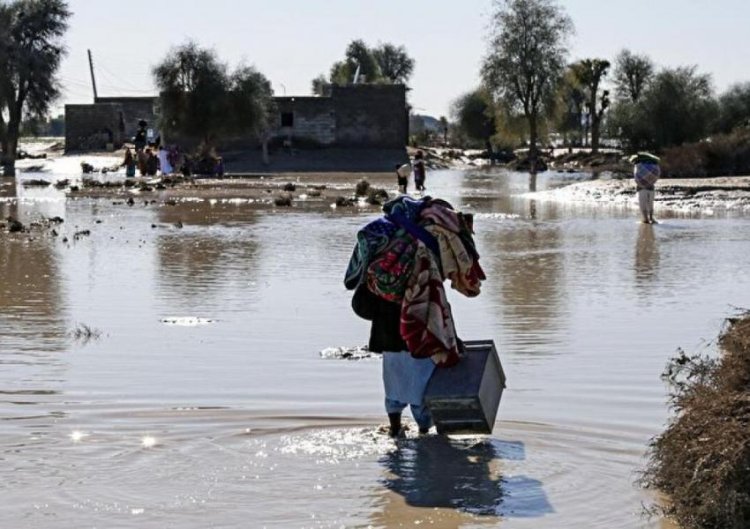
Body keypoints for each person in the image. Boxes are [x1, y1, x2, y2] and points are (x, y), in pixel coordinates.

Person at [345, 196, 485, 438]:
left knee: (394, 386)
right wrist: (452, 338)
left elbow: (363, 300)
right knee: (422, 386)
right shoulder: (430, 247)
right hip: (419, 328)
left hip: (387, 331)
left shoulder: (387, 246)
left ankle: (395, 429)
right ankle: (423, 431)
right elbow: (436, 299)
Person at [630, 152, 660, 224]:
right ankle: (651, 218)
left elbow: (636, 176)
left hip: (641, 187)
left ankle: (645, 219)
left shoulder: (638, 166)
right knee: (650, 203)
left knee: (642, 203)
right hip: (651, 187)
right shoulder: (654, 165)